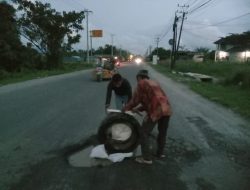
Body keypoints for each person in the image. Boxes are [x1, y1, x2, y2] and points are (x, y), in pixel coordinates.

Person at [122, 69, 172, 164]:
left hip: (157, 110)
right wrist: (138, 109)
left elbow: (135, 100)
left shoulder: (141, 83)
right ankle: (160, 153)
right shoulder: (153, 83)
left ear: (139, 77)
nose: (137, 81)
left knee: (143, 132)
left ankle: (146, 158)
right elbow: (149, 101)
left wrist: (125, 109)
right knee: (162, 133)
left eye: (137, 79)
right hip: (166, 108)